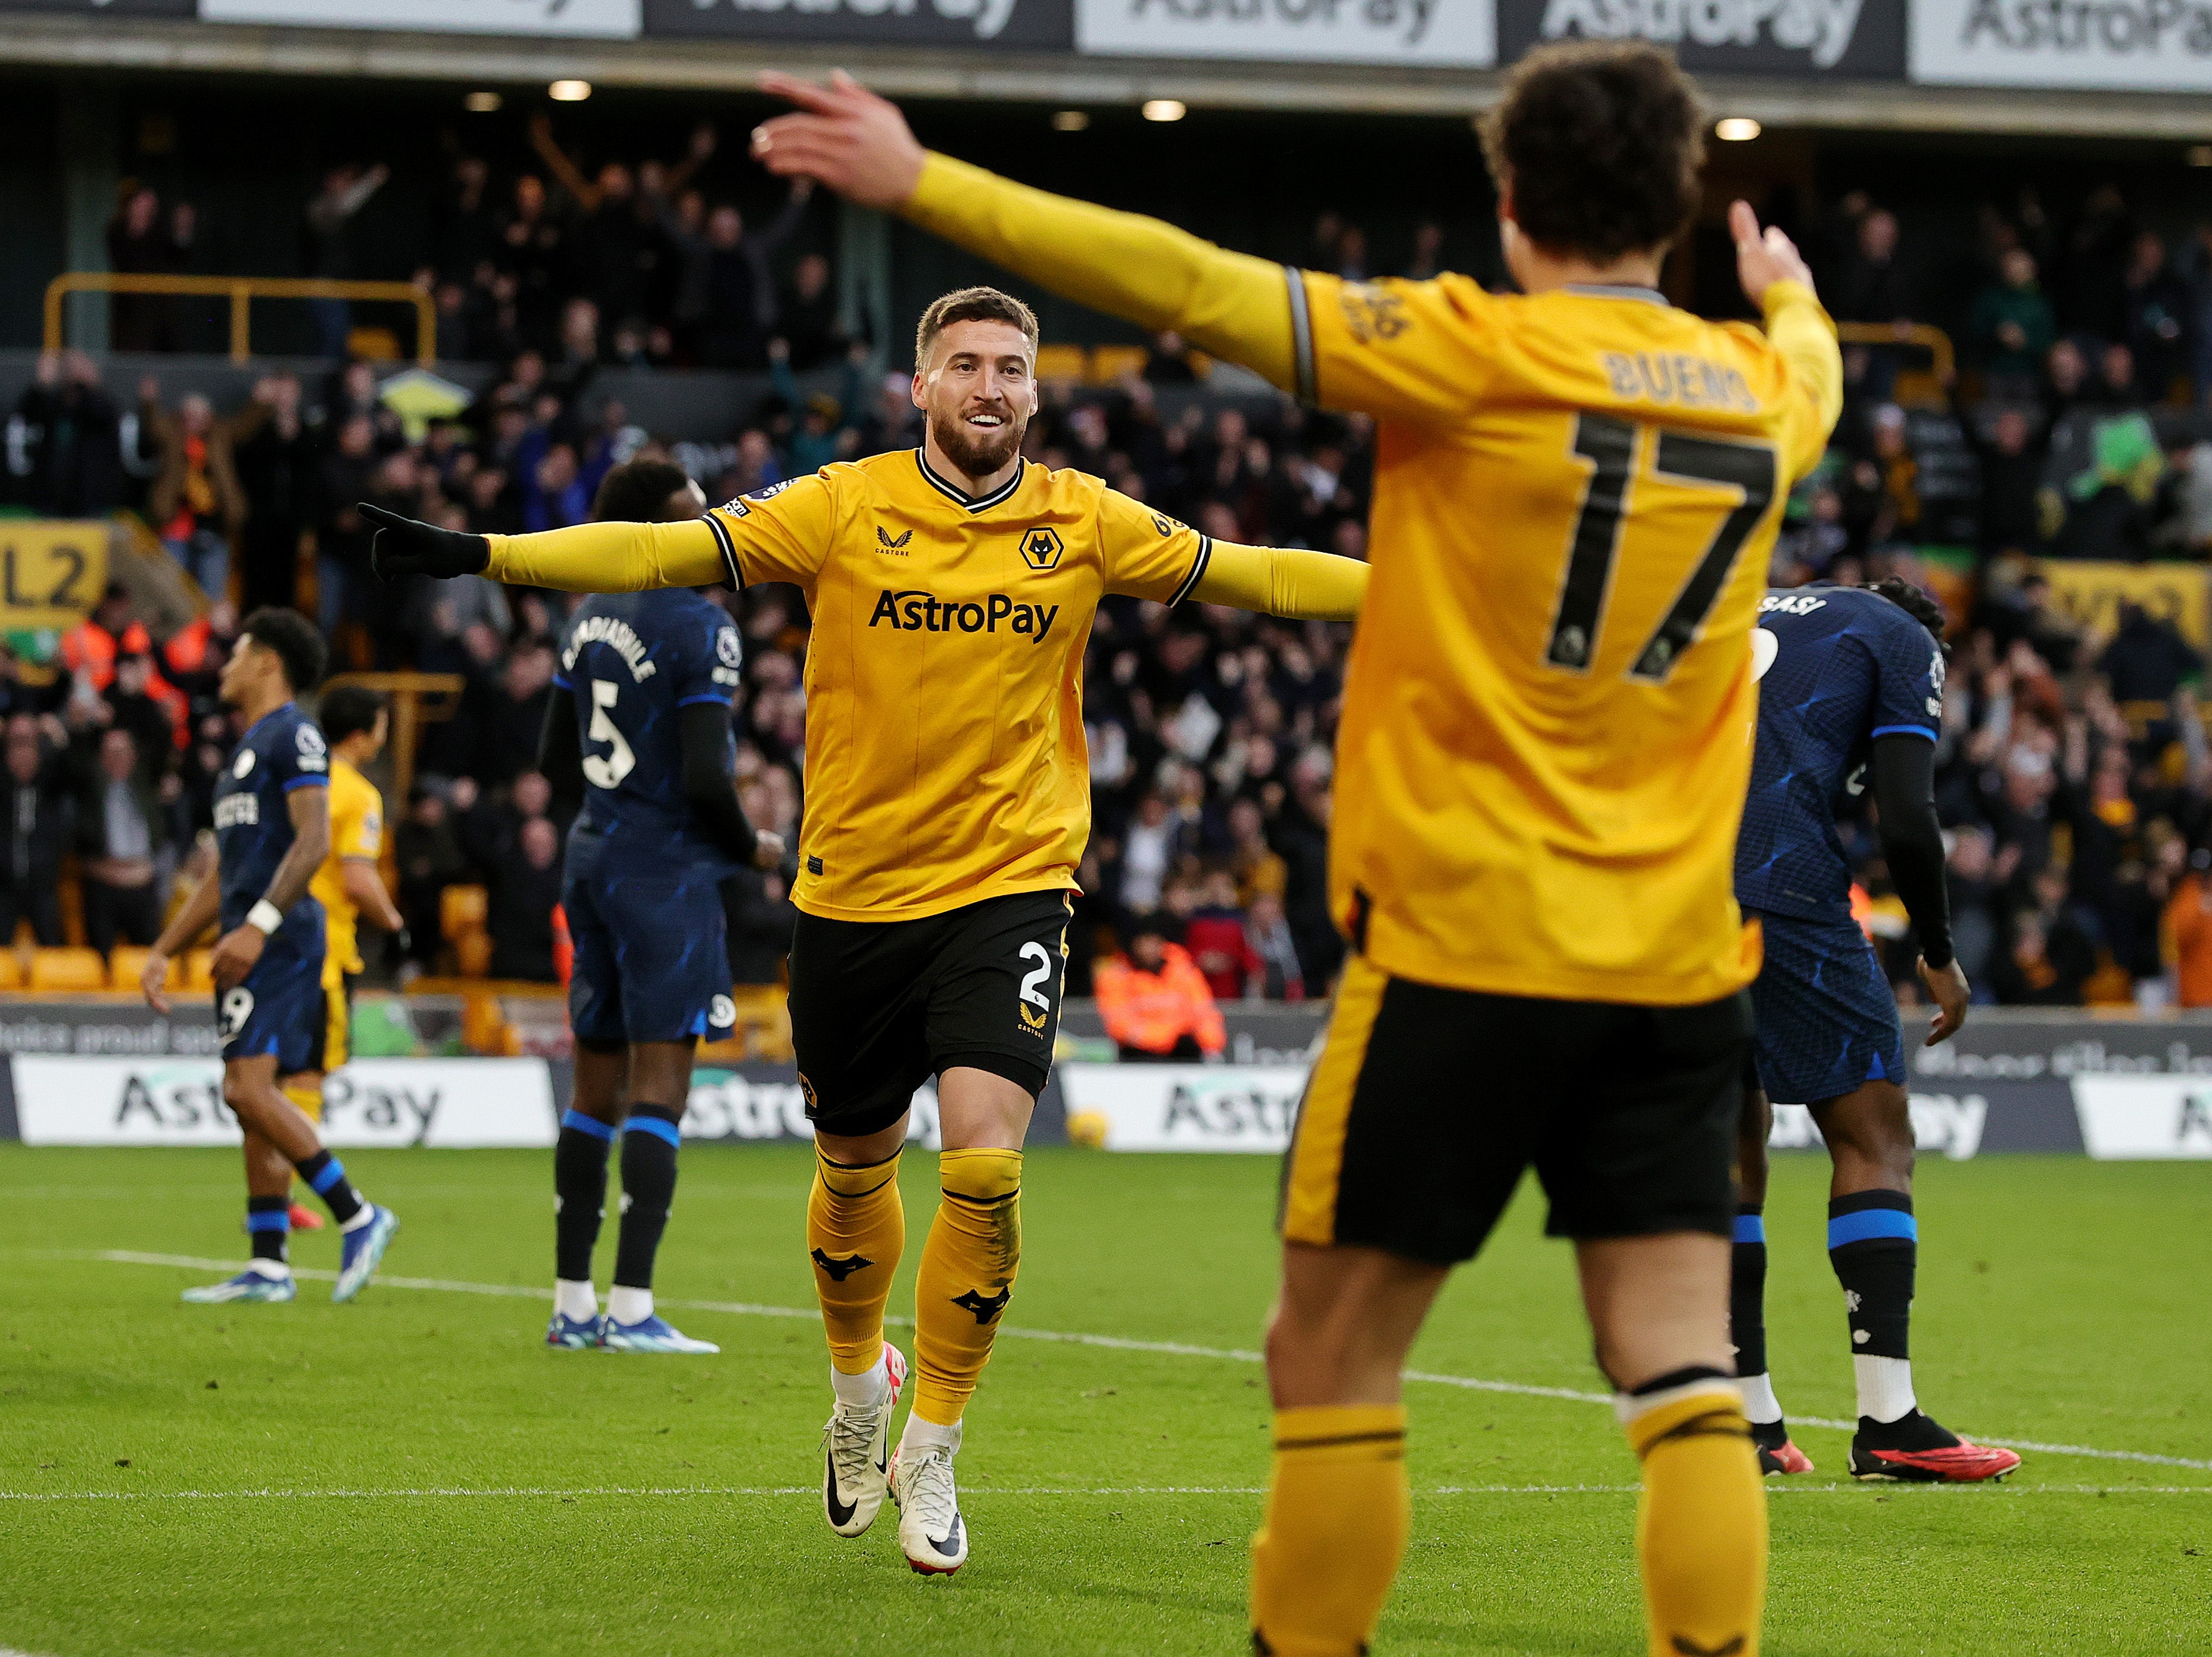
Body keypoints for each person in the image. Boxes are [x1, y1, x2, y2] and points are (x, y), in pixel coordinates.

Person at [743, 46, 1835, 1656]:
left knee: (1332, 1362)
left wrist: (927, 186)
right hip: (1673, 971)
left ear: (1512, 205)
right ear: (1675, 203)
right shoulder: (1764, 391)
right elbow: (1808, 365)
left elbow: (1185, 281)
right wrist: (1787, 295)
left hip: (1459, 953)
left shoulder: (1463, 347)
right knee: (1682, 1375)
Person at [363, 283, 1367, 1578]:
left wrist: (1428, 592)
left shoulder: (1084, 518)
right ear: (922, 386)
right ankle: (856, 1397)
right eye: (966, 364)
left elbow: (1263, 576)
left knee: (989, 1167)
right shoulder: (842, 501)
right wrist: (489, 554)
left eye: (1011, 365)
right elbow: (665, 555)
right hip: (851, 898)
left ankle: (936, 1444)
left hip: (1009, 885)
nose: (991, 385)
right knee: (852, 1176)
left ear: (1037, 391)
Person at [1730, 579, 2019, 1485]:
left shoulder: (1753, 604)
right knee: (1874, 1133)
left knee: (1726, 1138)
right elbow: (1906, 808)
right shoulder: (1903, 638)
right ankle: (1889, 1419)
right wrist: (1936, 949)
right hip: (1780, 884)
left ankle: (1747, 1421)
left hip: (1660, 882)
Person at [537, 457, 784, 1355]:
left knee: (590, 1088)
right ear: (652, 530)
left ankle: (570, 1303)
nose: (705, 528)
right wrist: (751, 844)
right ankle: (633, 1309)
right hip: (666, 877)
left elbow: (551, 764)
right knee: (660, 1088)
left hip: (591, 861)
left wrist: (616, 806)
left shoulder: (588, 615)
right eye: (689, 516)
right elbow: (709, 778)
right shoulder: (701, 624)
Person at [142, 609, 398, 1305]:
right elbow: (226, 871)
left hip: (280, 937)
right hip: (245, 935)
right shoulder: (246, 751)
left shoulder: (296, 735)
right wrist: (165, 947)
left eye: (237, 653)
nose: (224, 665)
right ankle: (268, 1264)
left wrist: (255, 926)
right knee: (249, 1095)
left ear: (266, 662)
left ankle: (359, 1213)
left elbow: (313, 842)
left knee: (247, 1089)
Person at [291, 683, 408, 1220]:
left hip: (276, 940)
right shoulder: (359, 795)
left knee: (269, 1075)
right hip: (323, 951)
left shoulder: (297, 781)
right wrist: (395, 923)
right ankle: (290, 1193)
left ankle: (271, 1195)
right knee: (307, 1075)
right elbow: (358, 879)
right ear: (364, 734)